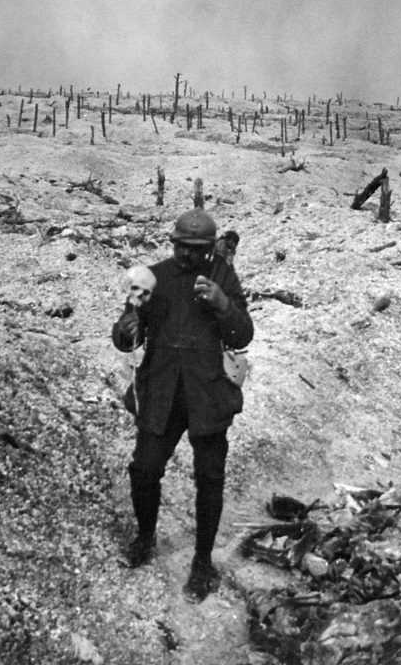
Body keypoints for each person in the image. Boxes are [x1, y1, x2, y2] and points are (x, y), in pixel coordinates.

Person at [111, 207, 254, 603]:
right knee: (144, 469)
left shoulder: (222, 275)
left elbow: (243, 336)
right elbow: (127, 334)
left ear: (210, 248)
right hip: (161, 391)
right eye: (182, 247)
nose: (189, 256)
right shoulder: (154, 277)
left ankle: (203, 561)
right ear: (172, 242)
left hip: (207, 393)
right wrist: (126, 333)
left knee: (209, 478)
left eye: (198, 249)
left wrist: (223, 304)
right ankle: (145, 537)